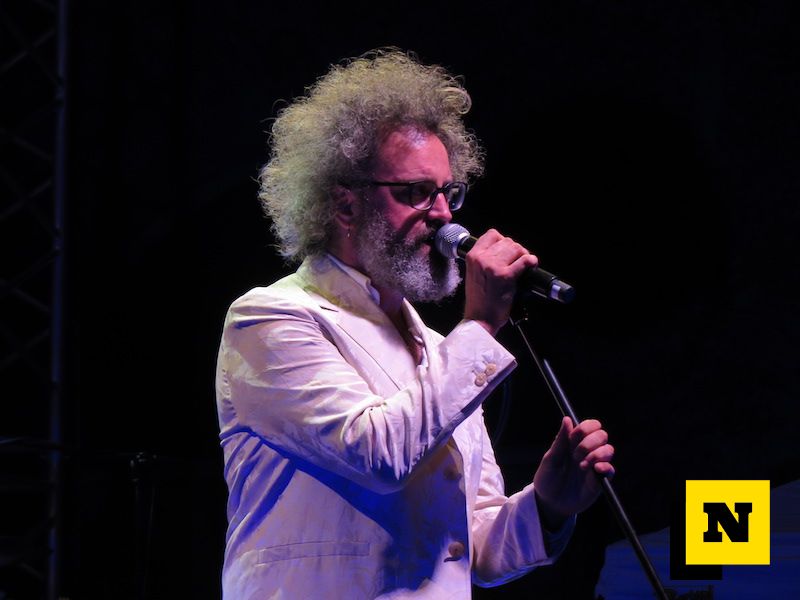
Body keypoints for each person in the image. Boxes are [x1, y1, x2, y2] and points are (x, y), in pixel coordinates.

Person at [215, 49, 615, 599]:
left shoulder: (439, 348)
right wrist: (480, 324)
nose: (444, 216)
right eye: (415, 193)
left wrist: (547, 505)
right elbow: (377, 455)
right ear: (345, 205)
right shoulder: (273, 318)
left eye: (448, 193)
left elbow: (470, 548)